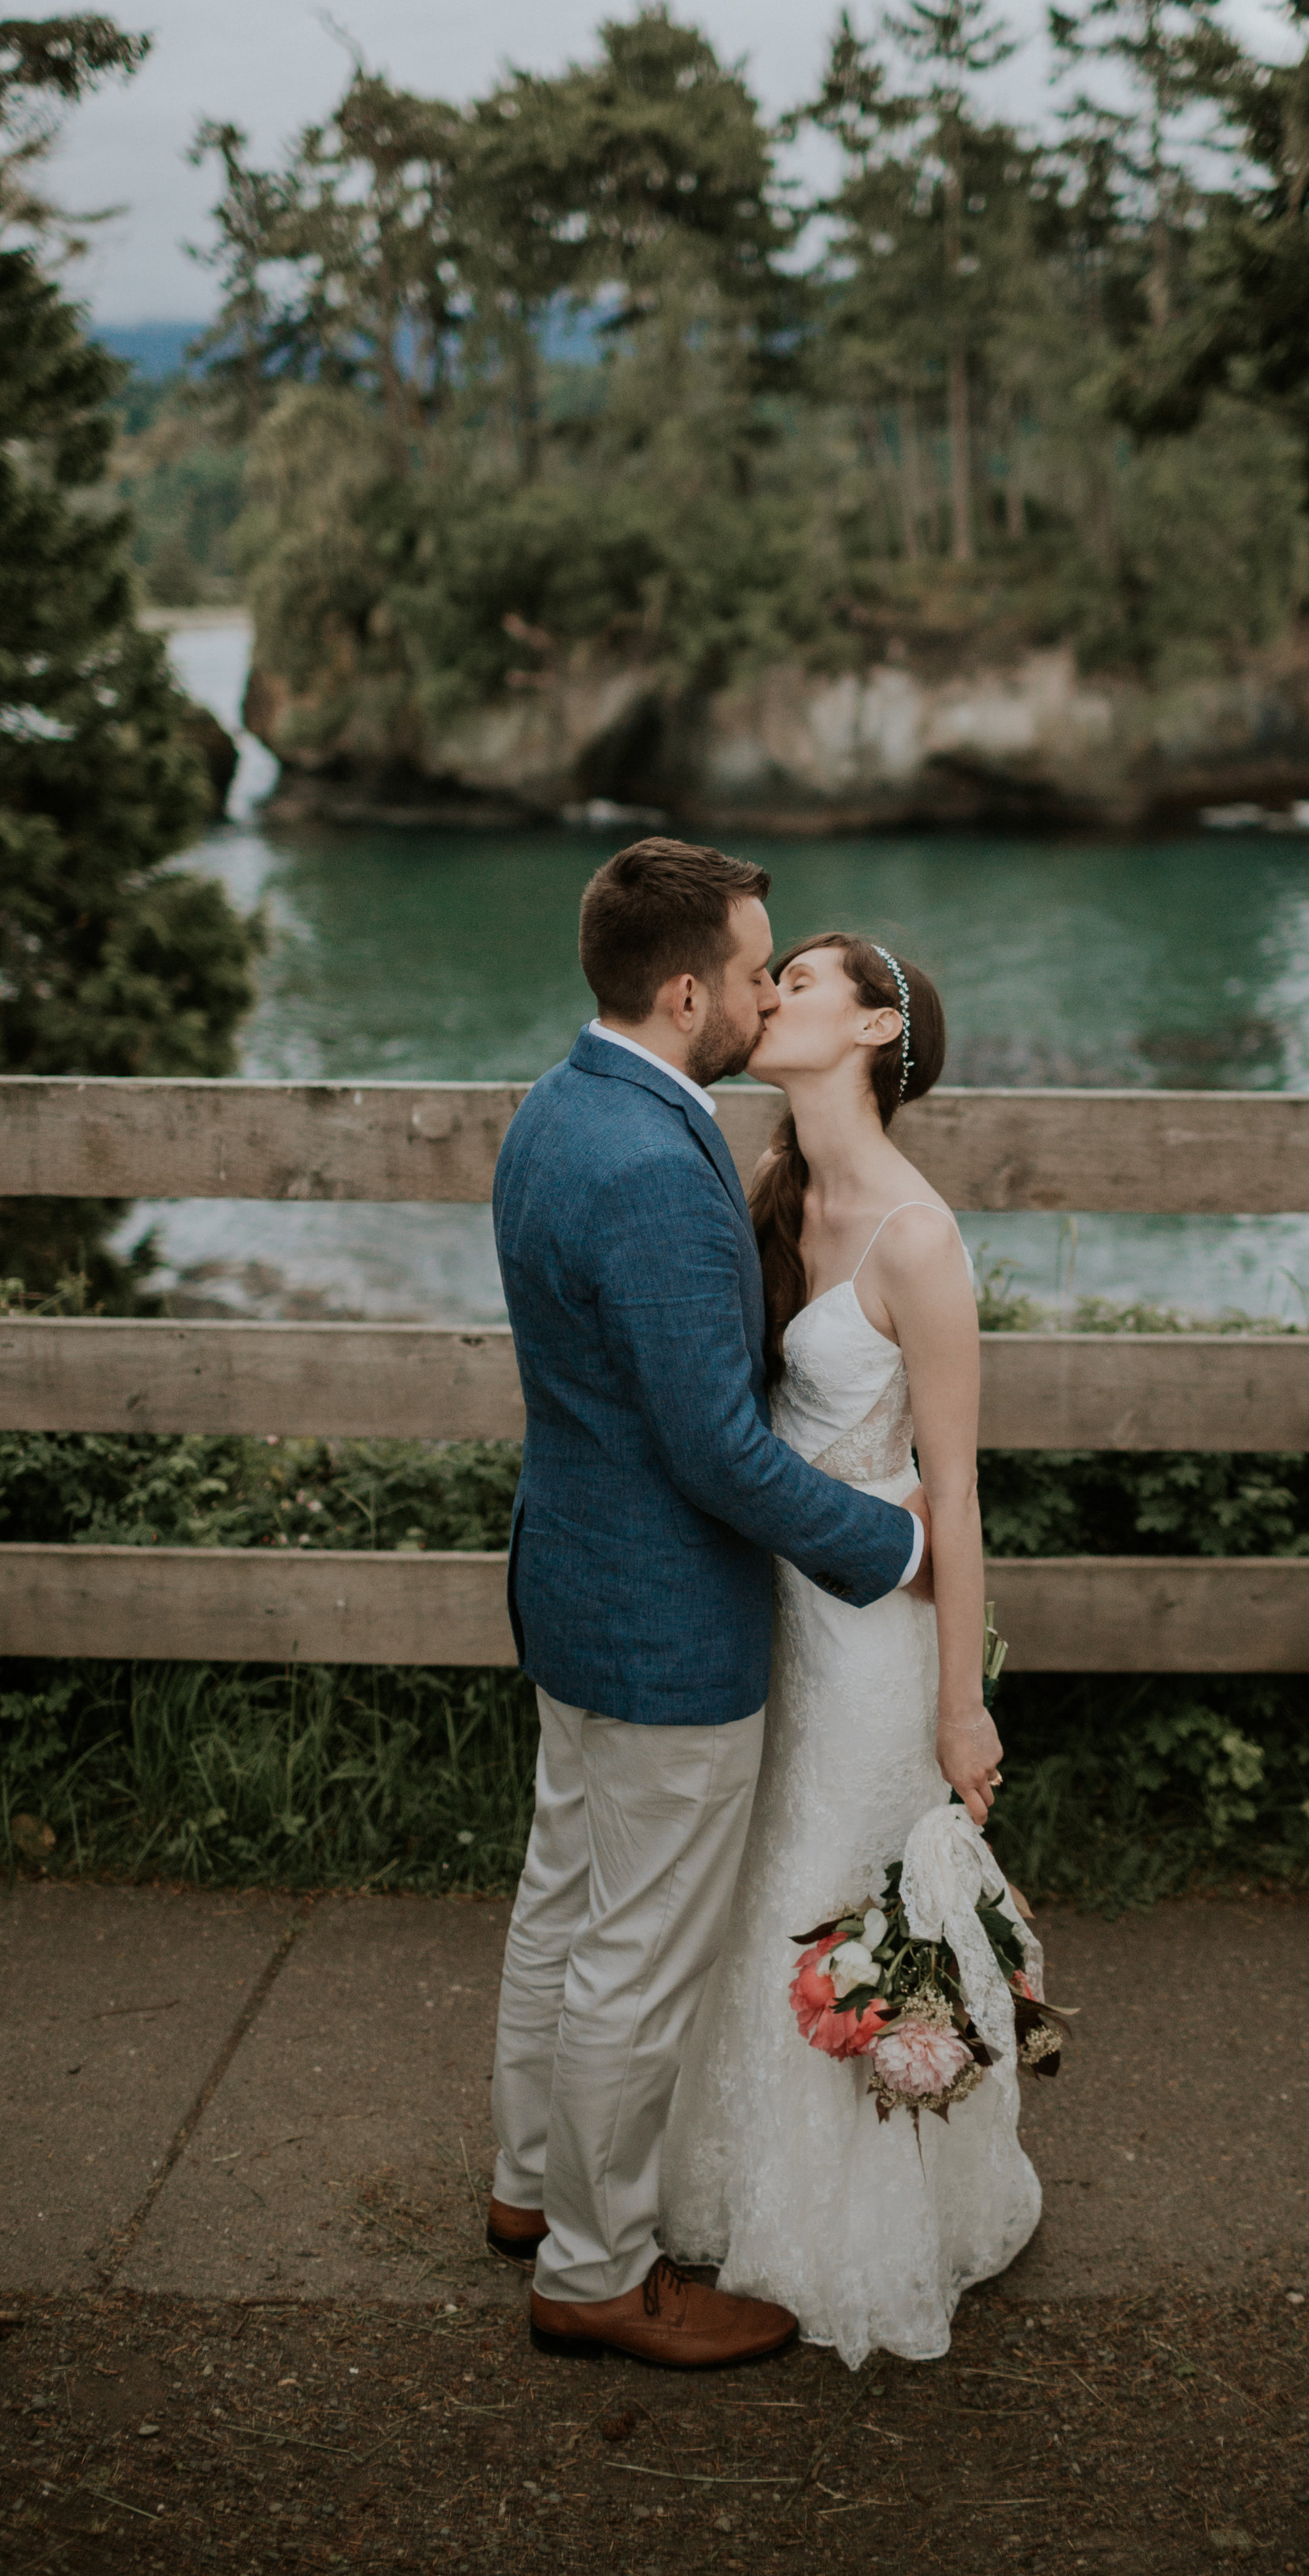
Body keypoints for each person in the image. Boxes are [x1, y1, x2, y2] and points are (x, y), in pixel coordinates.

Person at [487, 840, 935, 2370]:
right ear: (686, 995)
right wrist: (887, 1543)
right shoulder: (656, 1172)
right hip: (664, 1626)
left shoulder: (559, 1108)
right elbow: (720, 1453)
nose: (766, 990)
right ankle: (597, 2271)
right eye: (753, 973)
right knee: (633, 1944)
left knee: (562, 1894)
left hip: (570, 1588)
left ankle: (528, 2185)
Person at [660, 931, 1039, 2365]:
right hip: (770, 1619)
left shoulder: (918, 1238)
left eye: (802, 981)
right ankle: (729, 2181)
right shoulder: (772, 1188)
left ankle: (849, 2228)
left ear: (878, 1025)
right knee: (757, 1887)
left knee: (837, 1899)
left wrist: (962, 1712)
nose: (771, 995)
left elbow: (956, 1493)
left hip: (878, 1644)